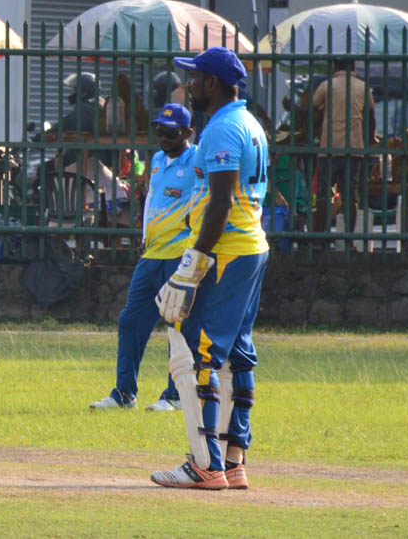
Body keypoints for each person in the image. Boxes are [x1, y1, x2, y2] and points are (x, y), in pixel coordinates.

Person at [151, 46, 269, 491]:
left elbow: (220, 200)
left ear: (213, 83)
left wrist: (194, 260)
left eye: (195, 78)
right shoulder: (250, 123)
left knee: (199, 352)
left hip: (228, 252)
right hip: (250, 247)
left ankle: (206, 465)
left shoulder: (221, 129)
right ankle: (234, 460)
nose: (190, 86)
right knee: (239, 351)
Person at [90, 103, 194, 412]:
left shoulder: (198, 159)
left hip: (180, 256)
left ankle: (176, 396)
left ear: (187, 133)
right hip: (151, 255)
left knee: (179, 326)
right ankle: (124, 394)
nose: (162, 137)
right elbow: (152, 200)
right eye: (159, 130)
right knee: (131, 320)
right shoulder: (159, 160)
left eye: (170, 132)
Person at [311, 57, 375, 233]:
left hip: (329, 148)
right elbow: (371, 116)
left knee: (324, 196)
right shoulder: (363, 88)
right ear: (354, 67)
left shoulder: (327, 86)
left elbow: (312, 107)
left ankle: (319, 239)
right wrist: (371, 139)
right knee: (350, 197)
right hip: (353, 149)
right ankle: (348, 240)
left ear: (335, 67)